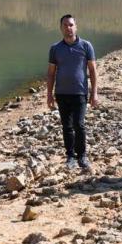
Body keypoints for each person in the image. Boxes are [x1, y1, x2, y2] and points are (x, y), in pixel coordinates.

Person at [47, 14, 98, 170]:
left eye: (71, 25)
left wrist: (94, 93)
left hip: (80, 92)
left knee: (79, 124)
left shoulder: (86, 46)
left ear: (76, 27)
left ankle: (82, 156)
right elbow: (51, 73)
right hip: (62, 93)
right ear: (61, 28)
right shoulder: (55, 48)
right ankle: (70, 157)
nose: (68, 28)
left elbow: (93, 70)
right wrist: (49, 94)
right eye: (65, 25)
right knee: (66, 126)